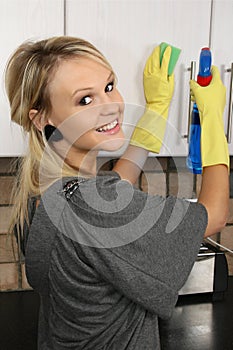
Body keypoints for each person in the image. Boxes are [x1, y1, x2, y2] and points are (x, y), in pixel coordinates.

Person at [5, 36, 229, 350]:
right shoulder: (95, 207)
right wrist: (213, 120)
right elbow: (215, 215)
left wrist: (156, 110)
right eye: (85, 100)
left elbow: (113, 188)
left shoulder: (40, 195)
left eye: (109, 86)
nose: (110, 106)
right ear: (43, 117)